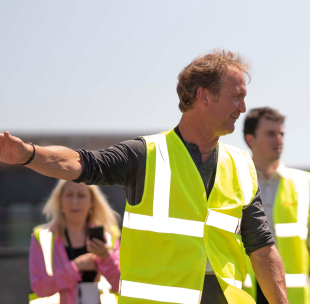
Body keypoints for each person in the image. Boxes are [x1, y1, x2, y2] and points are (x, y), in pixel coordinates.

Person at [1, 49, 289, 304]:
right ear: (203, 95)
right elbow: (80, 163)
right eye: (235, 97)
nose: (242, 108)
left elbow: (262, 248)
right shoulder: (145, 154)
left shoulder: (240, 165)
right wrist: (28, 154)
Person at [242, 107, 310, 304]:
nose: (279, 139)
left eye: (281, 134)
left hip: (291, 294)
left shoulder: (303, 181)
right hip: (245, 291)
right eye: (270, 134)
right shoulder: (234, 178)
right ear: (250, 140)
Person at [29, 180, 121, 304]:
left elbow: (122, 286)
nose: (74, 202)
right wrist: (77, 266)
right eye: (69, 195)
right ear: (60, 200)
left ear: (92, 202)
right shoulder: (42, 237)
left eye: (81, 195)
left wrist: (106, 256)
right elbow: (39, 288)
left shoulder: (109, 236)